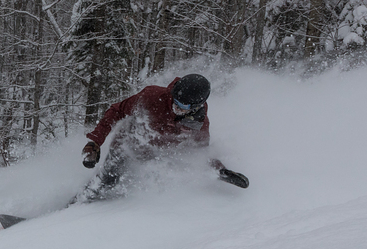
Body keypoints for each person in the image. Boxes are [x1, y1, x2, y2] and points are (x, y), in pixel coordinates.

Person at [78, 73, 248, 201]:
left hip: (155, 156)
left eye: (183, 105)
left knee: (133, 191)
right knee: (106, 181)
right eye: (176, 100)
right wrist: (95, 141)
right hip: (127, 147)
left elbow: (200, 153)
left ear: (196, 107)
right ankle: (77, 207)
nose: (177, 106)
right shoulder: (151, 97)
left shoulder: (199, 124)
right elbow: (117, 110)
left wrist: (220, 171)